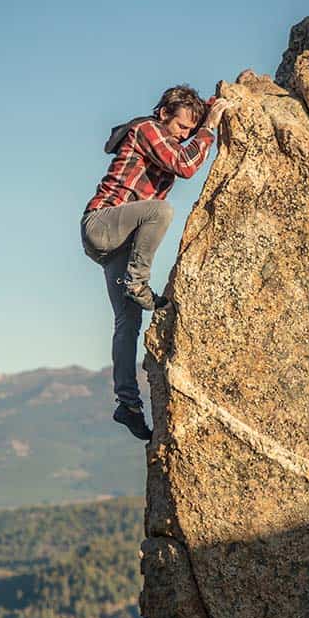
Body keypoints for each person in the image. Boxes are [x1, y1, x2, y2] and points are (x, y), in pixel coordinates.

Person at [80, 85, 229, 441]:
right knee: (161, 210)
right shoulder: (147, 129)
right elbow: (185, 166)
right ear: (164, 114)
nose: (184, 136)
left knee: (127, 322)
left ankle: (127, 404)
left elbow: (187, 141)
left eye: (189, 132)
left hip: (116, 244)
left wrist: (208, 111)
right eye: (181, 128)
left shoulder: (171, 128)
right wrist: (208, 129)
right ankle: (138, 281)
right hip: (102, 224)